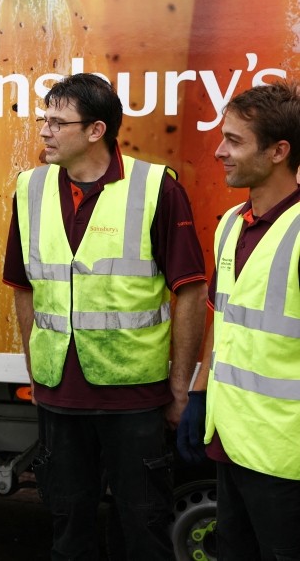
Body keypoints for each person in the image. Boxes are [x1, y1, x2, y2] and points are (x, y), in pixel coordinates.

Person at [3, 74, 208, 560]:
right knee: (67, 526)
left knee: (142, 526)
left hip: (133, 397)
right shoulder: (29, 189)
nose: (45, 131)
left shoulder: (156, 187)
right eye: (43, 120)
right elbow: (23, 287)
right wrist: (37, 368)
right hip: (58, 395)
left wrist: (180, 387)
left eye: (57, 122)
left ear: (96, 131)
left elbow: (192, 291)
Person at [177, 82, 300, 560]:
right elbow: (223, 320)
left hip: (284, 461)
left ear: (278, 151)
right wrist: (199, 393)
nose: (218, 150)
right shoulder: (231, 224)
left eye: (234, 140)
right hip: (229, 444)